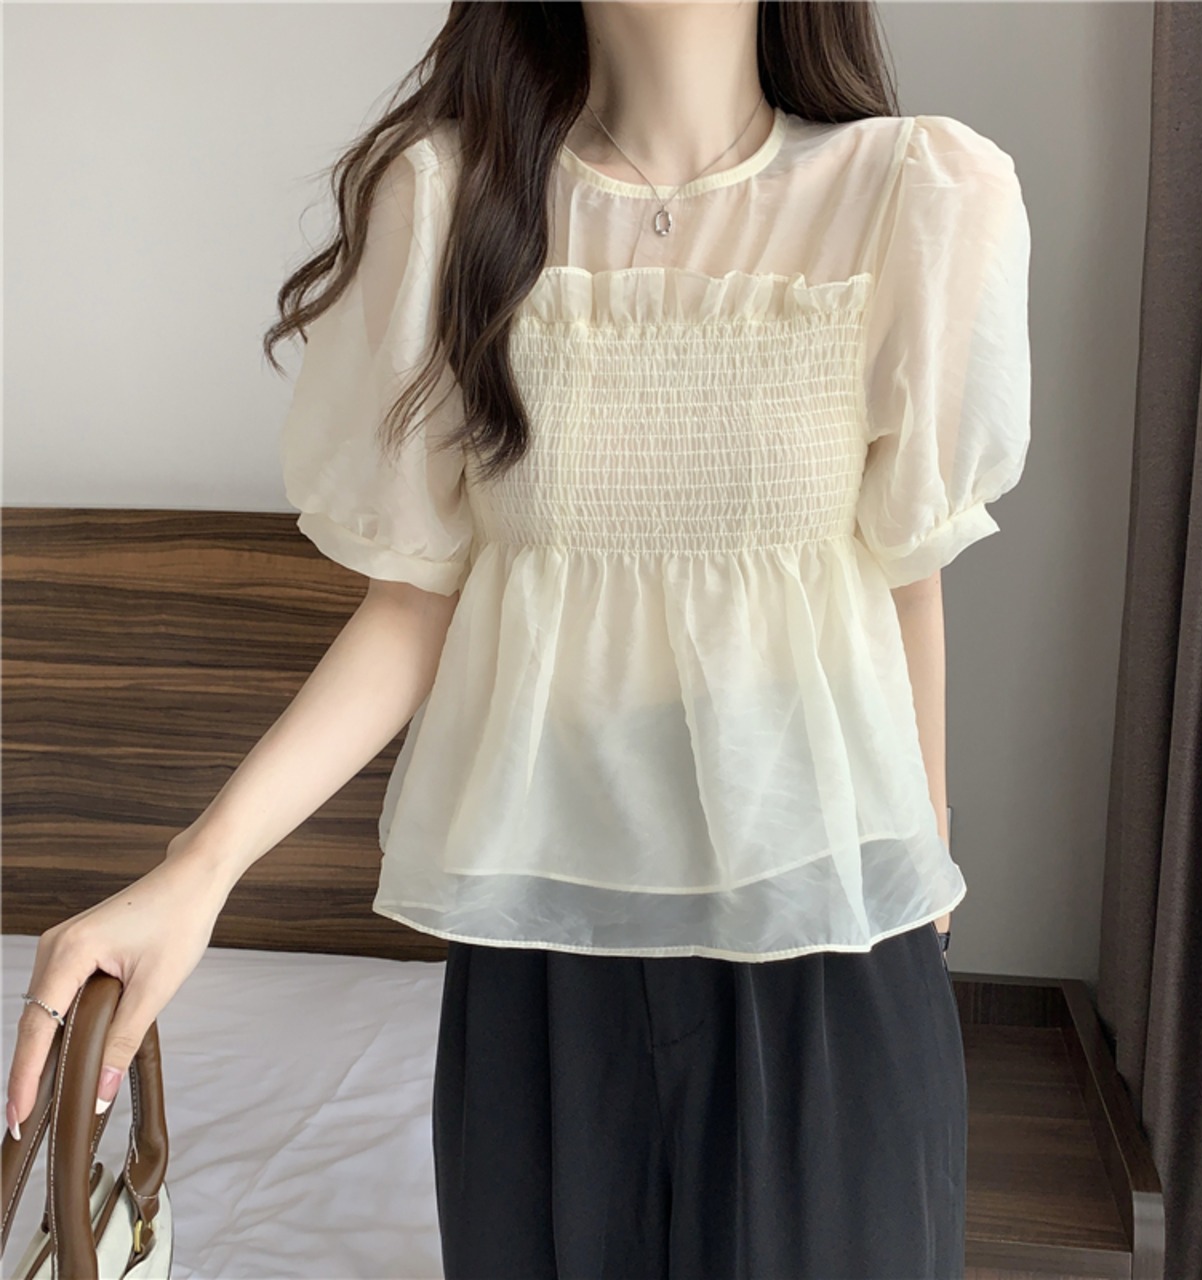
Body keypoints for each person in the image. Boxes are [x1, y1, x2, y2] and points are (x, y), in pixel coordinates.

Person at [6, 2, 1032, 1276]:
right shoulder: (453, 206)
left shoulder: (911, 192)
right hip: (546, 945)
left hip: (825, 931)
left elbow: (904, 573)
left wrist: (924, 877)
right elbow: (416, 600)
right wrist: (195, 871)